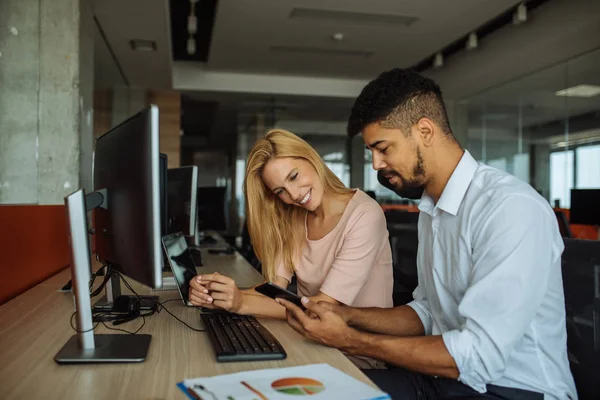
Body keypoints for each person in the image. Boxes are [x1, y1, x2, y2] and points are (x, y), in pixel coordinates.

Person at [277, 69, 577, 400]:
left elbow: (478, 355)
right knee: (308, 393)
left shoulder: (509, 207)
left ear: (424, 131)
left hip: (511, 390)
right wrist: (346, 315)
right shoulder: (432, 209)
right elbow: (428, 312)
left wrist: (350, 338)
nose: (376, 164)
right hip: (440, 381)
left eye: (383, 148)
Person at [188, 129, 393, 323]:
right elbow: (275, 288)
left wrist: (240, 303)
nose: (294, 195)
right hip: (314, 337)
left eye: (294, 176)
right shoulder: (296, 216)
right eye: (280, 191)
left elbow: (321, 308)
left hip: (360, 352)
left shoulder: (365, 214)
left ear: (309, 158)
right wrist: (215, 295)